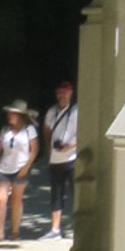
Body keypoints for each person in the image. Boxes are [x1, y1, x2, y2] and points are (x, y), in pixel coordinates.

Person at [0, 99, 37, 241]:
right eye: (9, 113)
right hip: (4, 168)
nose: (9, 115)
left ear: (20, 115)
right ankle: (0, 231)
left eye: (13, 113)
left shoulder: (29, 130)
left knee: (16, 200)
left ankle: (15, 231)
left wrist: (26, 167)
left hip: (20, 168)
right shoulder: (5, 130)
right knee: (0, 199)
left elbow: (34, 150)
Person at [43, 79, 78, 236]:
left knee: (76, 193)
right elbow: (46, 130)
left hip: (72, 158)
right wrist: (49, 148)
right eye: (60, 93)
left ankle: (77, 227)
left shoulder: (77, 111)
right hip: (55, 159)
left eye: (65, 93)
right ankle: (55, 229)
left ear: (70, 94)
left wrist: (70, 146)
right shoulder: (52, 111)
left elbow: (83, 132)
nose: (62, 96)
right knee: (56, 193)